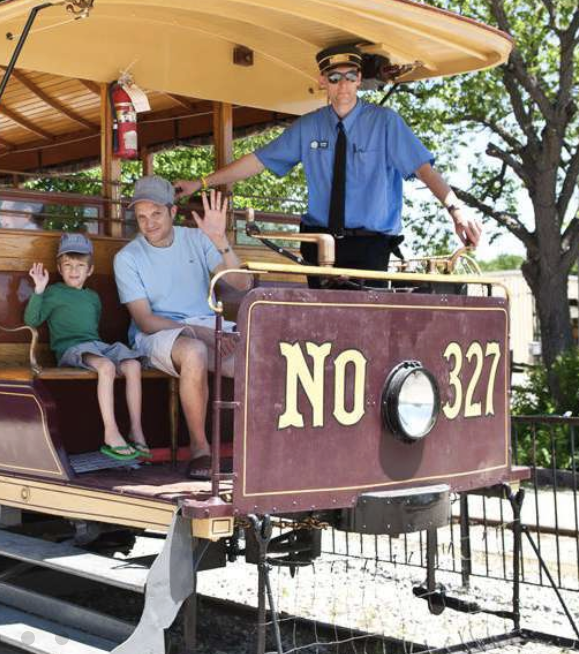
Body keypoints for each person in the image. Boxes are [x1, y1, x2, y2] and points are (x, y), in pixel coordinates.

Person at [176, 43, 483, 281]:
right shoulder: (308, 127)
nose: (343, 86)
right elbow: (258, 160)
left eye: (351, 77)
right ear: (322, 80)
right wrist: (200, 183)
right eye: (335, 78)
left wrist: (456, 210)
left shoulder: (386, 123)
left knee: (365, 330)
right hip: (317, 241)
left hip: (370, 246)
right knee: (321, 329)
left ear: (360, 79)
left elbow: (424, 169)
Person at [114, 176, 251, 480]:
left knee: (258, 352)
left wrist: (219, 240)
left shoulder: (197, 239)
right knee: (195, 351)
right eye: (141, 217)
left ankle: (257, 448)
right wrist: (200, 333)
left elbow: (243, 285)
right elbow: (145, 320)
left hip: (205, 324)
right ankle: (200, 450)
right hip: (157, 334)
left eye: (156, 214)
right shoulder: (127, 258)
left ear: (173, 212)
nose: (149, 223)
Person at [25, 233, 149, 461]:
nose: (74, 270)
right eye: (68, 265)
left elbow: (94, 326)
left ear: (89, 270)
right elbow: (32, 320)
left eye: (80, 265)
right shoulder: (53, 292)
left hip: (95, 345)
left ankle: (136, 430)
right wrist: (39, 289)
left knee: (132, 365)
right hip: (70, 349)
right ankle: (111, 433)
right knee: (106, 367)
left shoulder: (93, 297)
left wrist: (101, 349)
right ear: (59, 269)